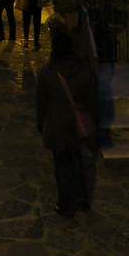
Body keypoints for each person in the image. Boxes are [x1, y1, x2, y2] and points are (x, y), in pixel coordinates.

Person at [36, 32, 98, 218]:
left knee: (61, 164)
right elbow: (92, 100)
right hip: (76, 122)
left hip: (56, 122)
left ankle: (66, 205)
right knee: (76, 157)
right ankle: (81, 198)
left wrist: (40, 123)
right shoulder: (85, 71)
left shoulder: (47, 73)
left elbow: (41, 102)